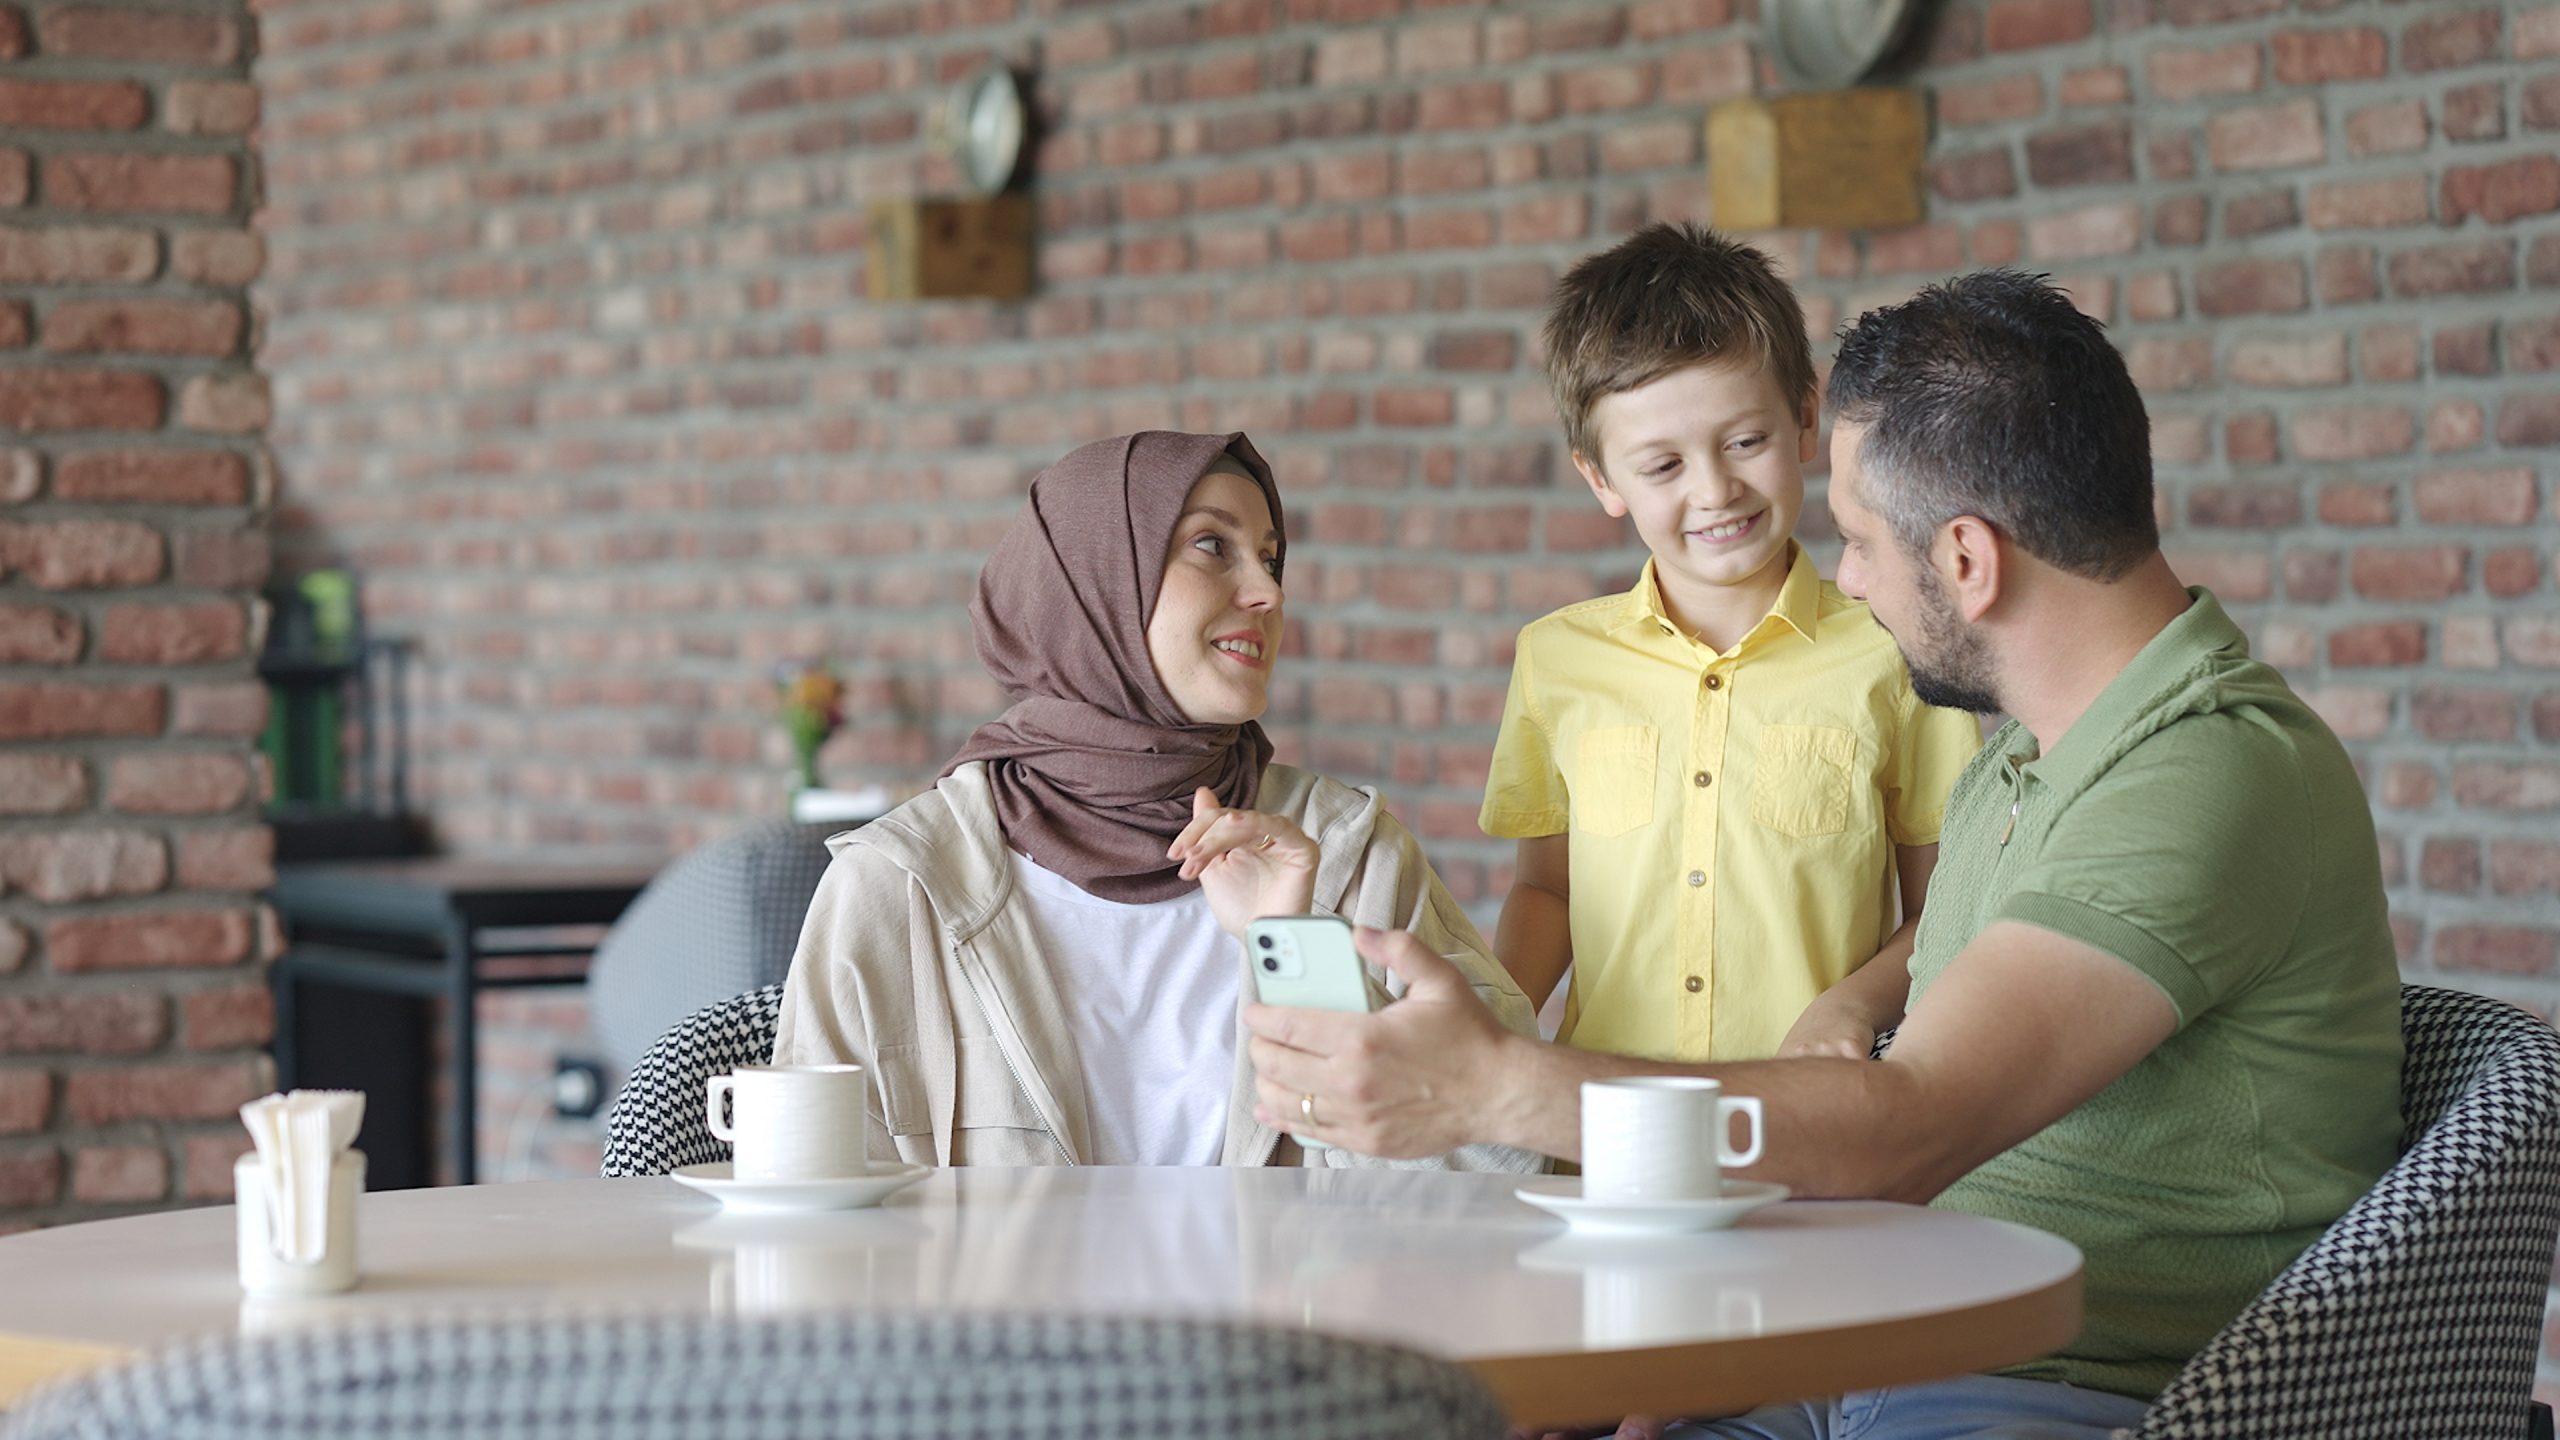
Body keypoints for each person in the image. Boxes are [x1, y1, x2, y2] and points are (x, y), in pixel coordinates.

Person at [1244, 272, 2404, 1438]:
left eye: (1854, 541)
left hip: (2073, 1385)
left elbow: (1904, 1126)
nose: (1841, 577)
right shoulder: (2030, 765)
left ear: (1965, 561)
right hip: (1886, 1332)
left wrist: (1498, 1087)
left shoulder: (2201, 774)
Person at [773, 430, 1540, 1175]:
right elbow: (807, 1215)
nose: (1268, 591)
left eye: (1272, 559)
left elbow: (1501, 1168)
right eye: (1212, 546)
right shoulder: (900, 885)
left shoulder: (1348, 852)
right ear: (1097, 578)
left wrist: (1298, 950)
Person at [1484, 223, 1980, 1065]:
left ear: (1805, 421)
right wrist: (1488, 1034)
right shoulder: (1555, 660)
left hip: (1811, 1138)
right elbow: (1546, 888)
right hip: (1605, 1133)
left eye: (1744, 442)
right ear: (1601, 479)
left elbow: (1949, 907)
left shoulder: (1895, 651)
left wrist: (1848, 1011)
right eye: (1662, 465)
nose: (1714, 490)